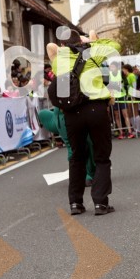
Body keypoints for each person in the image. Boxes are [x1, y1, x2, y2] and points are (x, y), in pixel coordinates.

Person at [50, 29, 121, 216]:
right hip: (96, 108)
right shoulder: (93, 54)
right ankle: (100, 203)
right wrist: (92, 41)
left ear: (63, 45)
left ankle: (75, 203)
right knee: (102, 157)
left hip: (72, 113)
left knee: (76, 157)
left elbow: (54, 51)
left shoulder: (59, 60)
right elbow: (115, 47)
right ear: (81, 41)